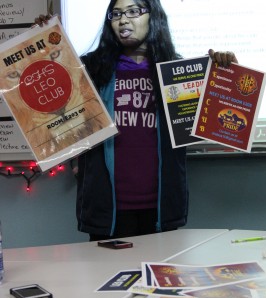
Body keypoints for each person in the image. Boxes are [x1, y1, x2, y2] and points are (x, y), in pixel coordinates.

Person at [35, 0, 238, 241]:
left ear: (153, 17)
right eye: (116, 13)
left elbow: (217, 122)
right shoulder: (91, 69)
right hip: (107, 211)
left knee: (158, 278)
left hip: (160, 209)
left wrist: (225, 73)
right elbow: (53, 107)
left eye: (133, 11)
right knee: (108, 278)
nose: (123, 19)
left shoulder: (177, 72)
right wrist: (42, 44)